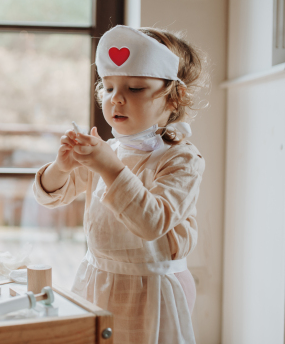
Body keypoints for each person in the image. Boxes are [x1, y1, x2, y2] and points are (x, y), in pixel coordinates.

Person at [32, 25, 208, 343]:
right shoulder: (108, 152)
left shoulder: (181, 158)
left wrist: (108, 167)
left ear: (174, 97)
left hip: (153, 288)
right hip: (97, 278)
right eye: (109, 88)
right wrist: (62, 166)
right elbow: (50, 197)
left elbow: (153, 222)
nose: (117, 99)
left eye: (136, 88)